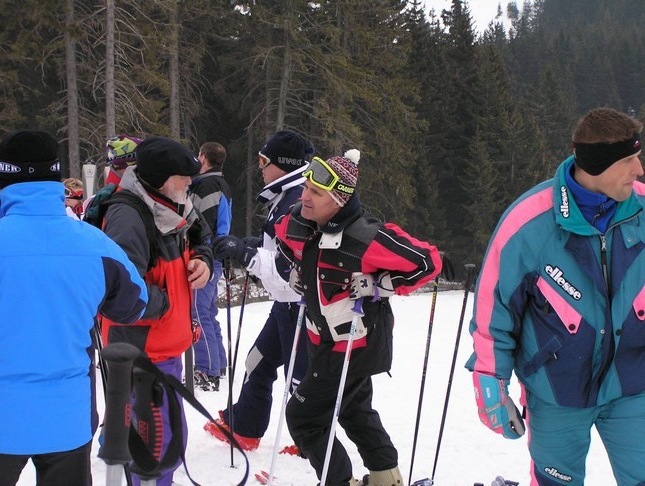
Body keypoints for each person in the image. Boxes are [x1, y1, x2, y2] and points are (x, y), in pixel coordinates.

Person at [465, 107, 645, 485]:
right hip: (556, 390)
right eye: (629, 160)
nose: (639, 170)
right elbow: (493, 310)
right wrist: (489, 381)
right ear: (598, 165)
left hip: (634, 385)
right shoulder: (529, 223)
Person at [275, 150, 442, 486]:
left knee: (304, 418)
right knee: (354, 410)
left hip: (352, 345)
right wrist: (295, 270)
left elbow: (428, 262)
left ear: (338, 200)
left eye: (316, 192)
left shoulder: (366, 236)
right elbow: (283, 243)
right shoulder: (299, 221)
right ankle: (386, 477)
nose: (304, 196)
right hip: (322, 340)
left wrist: (381, 284)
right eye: (306, 186)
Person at [0, 130, 148, 485]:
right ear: (56, 180)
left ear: (2, 182)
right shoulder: (94, 244)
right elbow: (133, 305)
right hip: (67, 416)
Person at [100, 135, 213, 486]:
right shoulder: (129, 215)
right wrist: (165, 301)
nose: (191, 183)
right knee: (154, 451)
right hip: (139, 354)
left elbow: (201, 236)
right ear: (165, 178)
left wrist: (203, 261)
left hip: (164, 349)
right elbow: (117, 289)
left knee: (166, 447)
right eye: (185, 176)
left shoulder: (172, 204)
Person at [208, 130, 314, 451]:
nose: (260, 168)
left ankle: (310, 440)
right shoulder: (285, 195)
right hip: (284, 304)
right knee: (259, 361)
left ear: (282, 164)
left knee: (300, 377)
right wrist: (247, 245)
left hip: (300, 305)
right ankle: (245, 426)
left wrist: (245, 253)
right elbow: (277, 248)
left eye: (263, 161)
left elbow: (291, 268)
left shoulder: (297, 201)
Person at [188, 142, 232, 391]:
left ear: (203, 157)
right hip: (216, 255)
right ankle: (218, 363)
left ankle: (206, 369)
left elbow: (201, 224)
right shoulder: (219, 183)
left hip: (208, 256)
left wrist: (200, 252)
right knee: (206, 311)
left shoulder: (206, 186)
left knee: (198, 312)